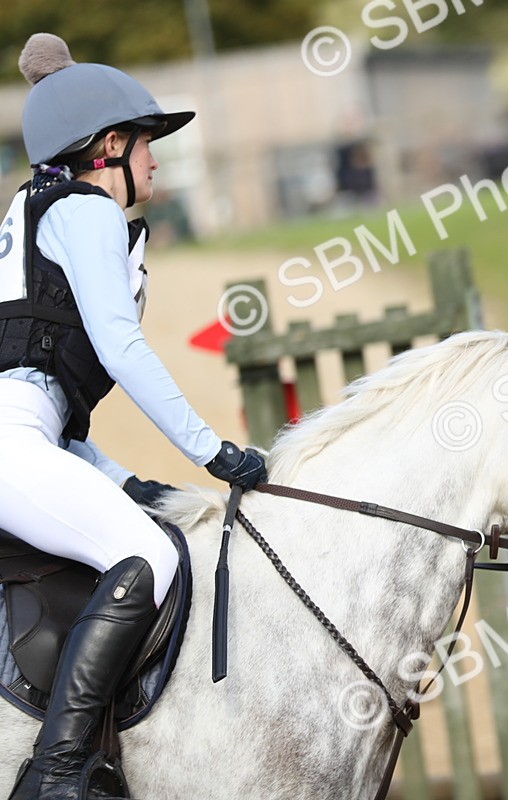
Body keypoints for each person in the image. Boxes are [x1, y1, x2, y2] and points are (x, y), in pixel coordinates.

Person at [0, 34, 267, 800]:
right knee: (147, 560)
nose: (155, 162)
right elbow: (119, 347)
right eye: (147, 145)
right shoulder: (82, 210)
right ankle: (57, 777)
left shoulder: (42, 209)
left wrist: (126, 482)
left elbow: (48, 411)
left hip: (26, 435)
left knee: (140, 527)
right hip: (11, 437)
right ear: (110, 146)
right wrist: (211, 452)